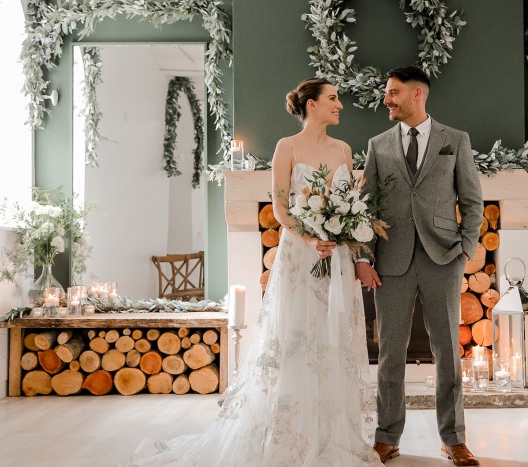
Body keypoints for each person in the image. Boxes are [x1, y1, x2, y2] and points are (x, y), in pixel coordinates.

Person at [127, 78, 383, 466]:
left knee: (333, 342)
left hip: (337, 261)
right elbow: (280, 209)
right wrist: (311, 240)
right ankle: (289, 436)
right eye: (333, 99)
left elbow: (349, 205)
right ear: (311, 105)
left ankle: (331, 436)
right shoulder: (288, 147)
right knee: (295, 338)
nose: (339, 105)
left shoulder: (344, 149)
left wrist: (344, 238)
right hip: (300, 257)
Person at [355, 66, 483, 466]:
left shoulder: (455, 140)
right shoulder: (378, 145)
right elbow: (367, 205)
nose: (386, 100)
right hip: (390, 262)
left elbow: (472, 201)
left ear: (416, 94)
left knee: (448, 351)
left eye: (392, 92)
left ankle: (454, 438)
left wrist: (465, 248)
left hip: (443, 258)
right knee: (390, 353)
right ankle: (387, 437)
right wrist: (363, 256)